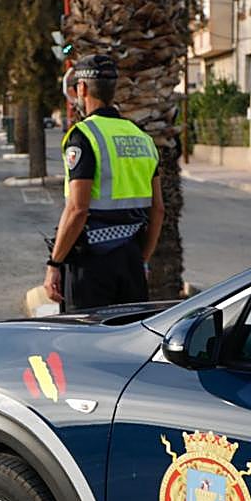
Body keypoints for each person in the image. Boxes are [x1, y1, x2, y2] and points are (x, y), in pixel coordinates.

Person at [43, 54, 164, 311]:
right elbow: (158, 210)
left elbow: (77, 209)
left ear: (82, 89)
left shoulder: (84, 136)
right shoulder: (142, 137)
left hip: (90, 265)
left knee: (84, 344)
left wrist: (54, 264)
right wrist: (142, 260)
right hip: (131, 259)